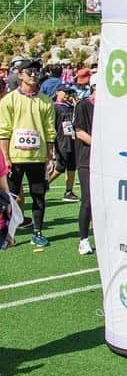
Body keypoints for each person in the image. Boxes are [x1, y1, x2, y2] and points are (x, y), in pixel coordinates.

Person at [0, 59, 57, 248]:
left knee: (38, 196)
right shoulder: (9, 100)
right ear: (20, 74)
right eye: (30, 71)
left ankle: (37, 232)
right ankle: (9, 235)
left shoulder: (46, 101)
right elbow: (4, 130)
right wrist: (6, 157)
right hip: (15, 158)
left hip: (38, 158)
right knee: (11, 198)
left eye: (36, 71)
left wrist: (50, 155)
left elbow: (50, 130)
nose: (34, 74)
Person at [73, 78, 95, 254]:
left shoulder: (110, 109)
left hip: (106, 162)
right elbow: (79, 132)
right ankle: (83, 239)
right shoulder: (83, 106)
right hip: (86, 160)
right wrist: (100, 146)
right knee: (87, 199)